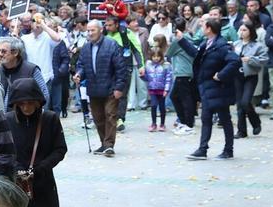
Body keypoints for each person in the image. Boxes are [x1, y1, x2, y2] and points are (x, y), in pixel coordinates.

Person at [6, 79, 67, 207]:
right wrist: (16, 168)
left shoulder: (50, 119)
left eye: (30, 103)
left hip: (42, 184)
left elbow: (60, 149)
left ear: (38, 102)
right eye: (22, 103)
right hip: (16, 185)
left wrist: (40, 168)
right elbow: (3, 150)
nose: (26, 107)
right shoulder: (8, 120)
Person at [72, 19, 128, 157]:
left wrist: (119, 87)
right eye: (88, 31)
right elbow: (81, 65)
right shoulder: (85, 48)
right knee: (98, 118)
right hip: (94, 88)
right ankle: (104, 143)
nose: (90, 33)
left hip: (110, 87)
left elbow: (121, 68)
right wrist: (78, 74)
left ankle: (109, 145)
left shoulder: (112, 45)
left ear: (101, 30)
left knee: (110, 115)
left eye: (93, 30)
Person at [187, 19, 241, 161]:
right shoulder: (207, 44)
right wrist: (182, 40)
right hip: (206, 89)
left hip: (219, 89)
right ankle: (202, 149)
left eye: (203, 26)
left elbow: (234, 61)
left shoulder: (222, 45)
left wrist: (221, 75)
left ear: (209, 29)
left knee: (225, 119)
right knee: (206, 118)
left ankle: (228, 150)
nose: (201, 28)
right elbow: (196, 55)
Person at [20, 14, 64, 112]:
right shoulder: (25, 38)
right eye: (34, 21)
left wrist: (43, 25)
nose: (37, 23)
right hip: (30, 78)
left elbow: (57, 39)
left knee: (44, 107)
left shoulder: (48, 37)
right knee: (32, 107)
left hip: (46, 77)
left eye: (40, 20)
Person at [233, 22, 267, 138]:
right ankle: (241, 131)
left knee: (245, 102)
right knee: (239, 104)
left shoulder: (257, 46)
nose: (242, 32)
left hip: (250, 76)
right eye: (240, 30)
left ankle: (255, 121)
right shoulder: (236, 44)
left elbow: (264, 60)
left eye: (244, 30)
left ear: (250, 32)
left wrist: (251, 59)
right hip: (237, 76)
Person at [167, 19, 198, 135]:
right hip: (187, 71)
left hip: (182, 71)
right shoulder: (189, 37)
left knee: (184, 99)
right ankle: (184, 122)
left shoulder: (178, 40)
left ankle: (188, 124)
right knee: (175, 96)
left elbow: (168, 54)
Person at [140, 36, 174, 132]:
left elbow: (168, 78)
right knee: (154, 106)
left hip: (162, 89)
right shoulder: (148, 65)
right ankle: (153, 123)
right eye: (154, 57)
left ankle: (162, 123)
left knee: (162, 107)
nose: (156, 58)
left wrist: (166, 90)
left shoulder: (166, 65)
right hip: (152, 89)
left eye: (158, 57)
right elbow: (147, 77)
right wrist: (142, 76)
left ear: (161, 56)